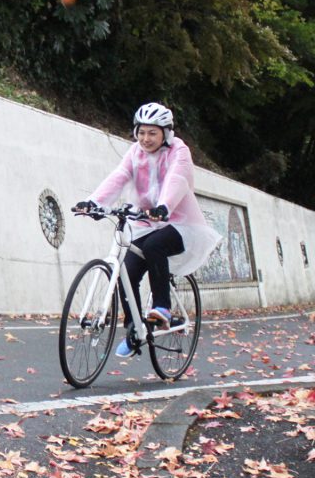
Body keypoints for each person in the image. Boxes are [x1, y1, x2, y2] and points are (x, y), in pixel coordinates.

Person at [74, 102, 221, 357]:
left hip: (180, 222)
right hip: (144, 222)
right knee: (126, 270)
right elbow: (119, 176)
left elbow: (177, 178)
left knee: (155, 246)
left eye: (152, 133)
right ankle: (134, 328)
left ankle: (163, 307)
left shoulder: (179, 151)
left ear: (166, 132)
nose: (145, 138)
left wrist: (164, 207)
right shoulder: (135, 152)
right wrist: (95, 203)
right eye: (141, 132)